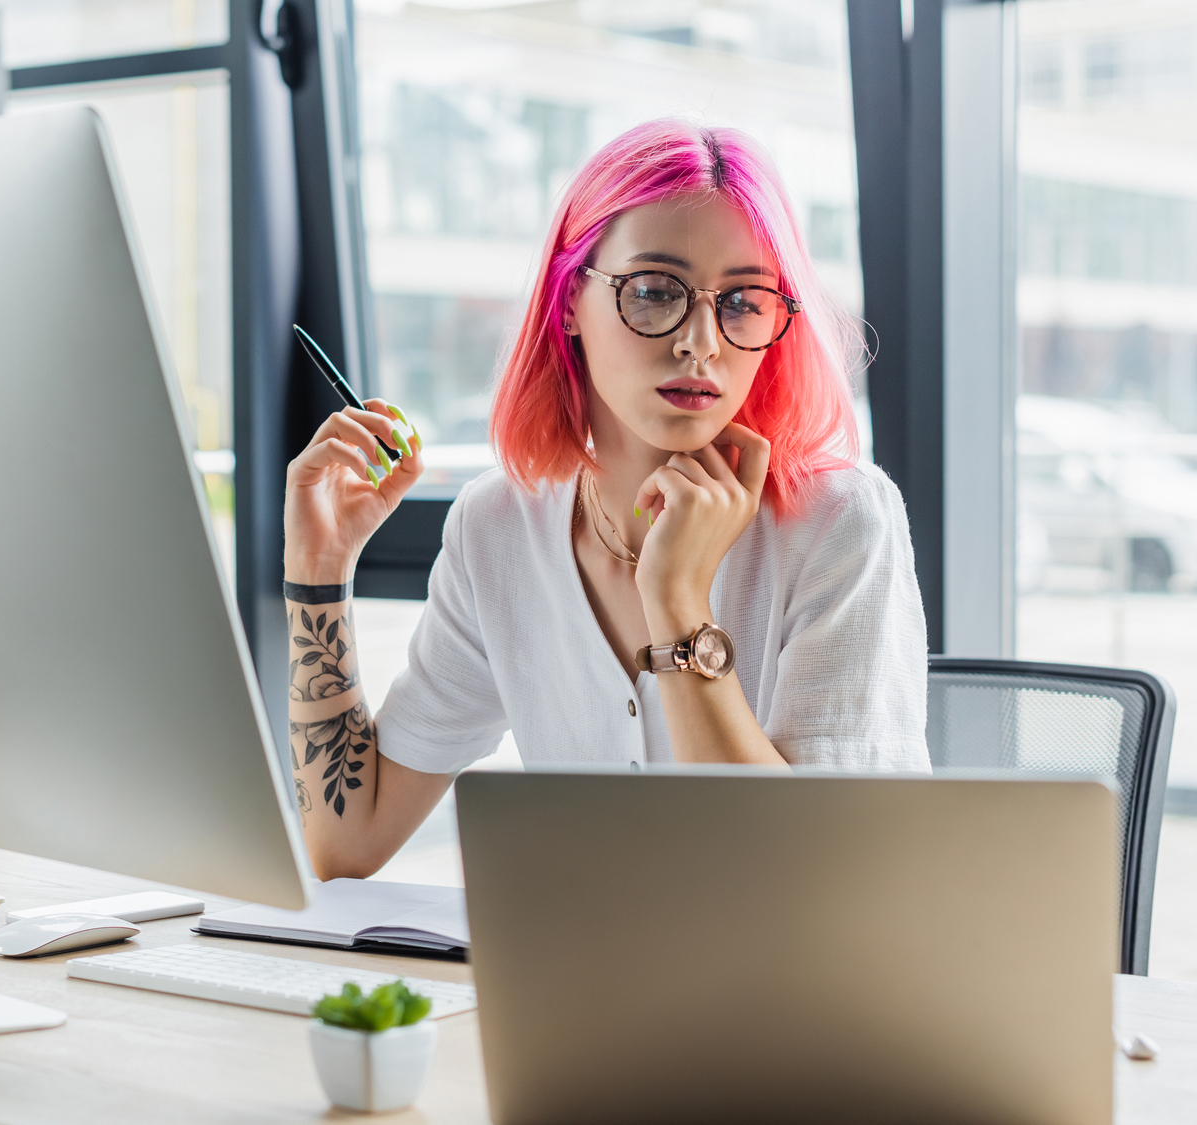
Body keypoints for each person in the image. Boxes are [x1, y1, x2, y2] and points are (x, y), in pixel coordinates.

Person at [282, 120, 929, 880]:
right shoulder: (499, 528)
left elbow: (814, 888)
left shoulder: (837, 524)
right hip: (580, 984)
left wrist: (679, 600)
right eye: (655, 291)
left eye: (744, 301)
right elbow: (345, 841)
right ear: (567, 305)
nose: (701, 343)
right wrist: (318, 571)